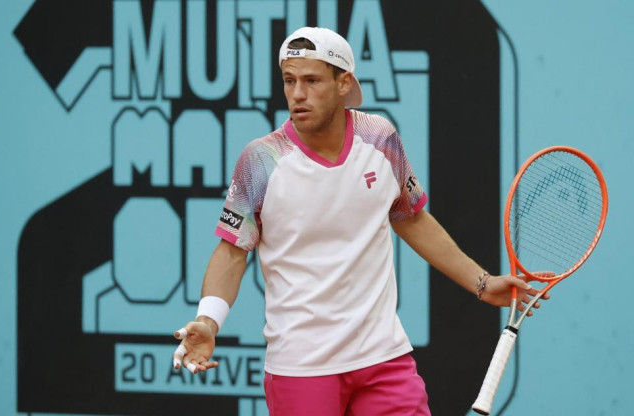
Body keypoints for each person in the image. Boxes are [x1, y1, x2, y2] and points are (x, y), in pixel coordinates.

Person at [171, 27, 546, 416]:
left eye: (312, 80)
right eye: (289, 80)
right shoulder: (262, 159)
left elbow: (411, 219)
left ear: (343, 82)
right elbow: (233, 251)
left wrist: (483, 284)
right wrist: (209, 321)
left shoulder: (380, 138)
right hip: (302, 369)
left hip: (384, 358)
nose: (297, 93)